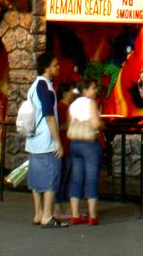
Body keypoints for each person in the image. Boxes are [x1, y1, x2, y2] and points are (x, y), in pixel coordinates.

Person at [25, 53, 67, 228]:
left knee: (36, 179)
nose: (58, 67)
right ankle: (48, 216)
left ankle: (38, 213)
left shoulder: (34, 86)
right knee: (51, 177)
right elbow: (49, 116)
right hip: (46, 141)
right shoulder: (46, 88)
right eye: (55, 64)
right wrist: (58, 142)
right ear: (47, 67)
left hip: (34, 140)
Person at [67, 78, 103, 225]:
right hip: (90, 144)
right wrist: (102, 125)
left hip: (75, 143)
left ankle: (75, 214)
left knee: (76, 179)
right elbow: (95, 123)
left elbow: (70, 123)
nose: (95, 90)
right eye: (93, 88)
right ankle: (92, 215)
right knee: (91, 179)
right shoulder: (91, 103)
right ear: (85, 90)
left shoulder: (73, 104)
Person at [53, 83, 78, 220]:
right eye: (71, 90)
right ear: (64, 93)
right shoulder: (59, 108)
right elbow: (56, 127)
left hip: (71, 145)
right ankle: (58, 206)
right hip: (64, 145)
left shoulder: (70, 107)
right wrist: (68, 125)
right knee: (63, 176)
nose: (74, 93)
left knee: (69, 177)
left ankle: (66, 206)